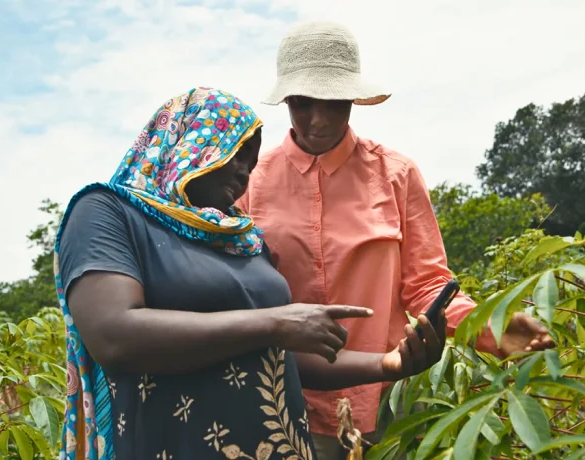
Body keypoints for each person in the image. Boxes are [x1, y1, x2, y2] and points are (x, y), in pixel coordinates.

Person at [54, 87, 448, 460]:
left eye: (252, 160)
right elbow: (113, 335)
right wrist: (274, 322)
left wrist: (386, 365)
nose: (246, 172)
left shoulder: (240, 237)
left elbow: (278, 355)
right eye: (236, 154)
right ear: (193, 144)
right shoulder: (107, 212)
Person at [237, 21, 556, 460]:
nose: (319, 118)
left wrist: (495, 328)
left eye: (334, 101)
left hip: (387, 398)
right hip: (288, 400)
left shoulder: (395, 175)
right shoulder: (250, 181)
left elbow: (427, 286)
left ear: (351, 98)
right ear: (287, 100)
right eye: (303, 102)